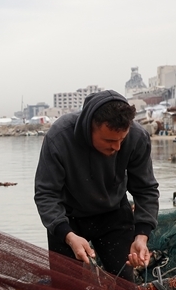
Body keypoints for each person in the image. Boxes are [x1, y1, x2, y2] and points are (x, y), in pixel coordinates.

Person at [34, 91, 159, 279]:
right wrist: (67, 235)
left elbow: (146, 189)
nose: (116, 147)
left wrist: (141, 236)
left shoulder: (137, 137)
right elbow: (46, 193)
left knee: (124, 285)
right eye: (109, 140)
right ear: (90, 127)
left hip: (114, 214)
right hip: (69, 218)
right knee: (66, 289)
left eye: (121, 140)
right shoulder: (59, 137)